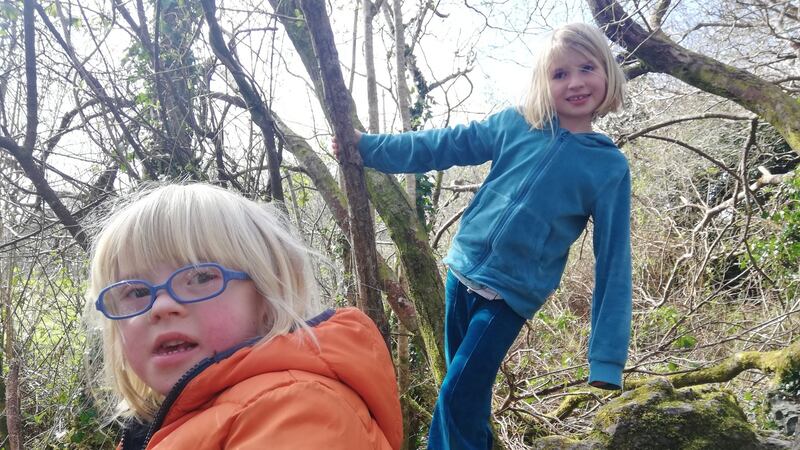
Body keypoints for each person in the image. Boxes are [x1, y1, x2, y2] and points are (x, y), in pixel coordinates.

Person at [334, 22, 631, 450]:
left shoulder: (608, 167)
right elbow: (443, 145)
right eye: (559, 74)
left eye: (587, 67)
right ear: (543, 83)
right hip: (461, 274)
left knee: (456, 395)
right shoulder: (517, 124)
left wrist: (606, 358)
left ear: (607, 72)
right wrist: (369, 148)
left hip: (509, 297)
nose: (576, 82)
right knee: (466, 401)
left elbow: (614, 262)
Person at [85, 183, 402, 449]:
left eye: (200, 277)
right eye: (136, 293)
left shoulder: (295, 407)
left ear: (267, 294)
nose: (160, 307)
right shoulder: (158, 423)